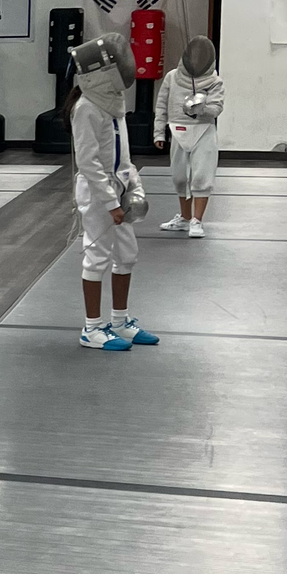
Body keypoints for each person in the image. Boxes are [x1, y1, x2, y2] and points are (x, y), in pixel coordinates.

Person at [70, 35, 157, 352]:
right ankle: (91, 328)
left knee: (126, 256)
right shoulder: (86, 109)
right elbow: (88, 162)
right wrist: (109, 203)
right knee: (97, 257)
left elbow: (124, 156)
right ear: (100, 71)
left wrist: (134, 185)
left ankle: (120, 321)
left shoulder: (114, 104)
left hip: (119, 185)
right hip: (96, 192)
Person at [155, 35, 224, 238]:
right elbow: (161, 106)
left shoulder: (215, 82)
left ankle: (197, 220)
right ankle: (185, 219)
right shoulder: (171, 77)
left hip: (203, 131)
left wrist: (200, 108)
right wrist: (159, 132)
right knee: (179, 177)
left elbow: (217, 108)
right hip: (178, 130)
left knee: (202, 176)